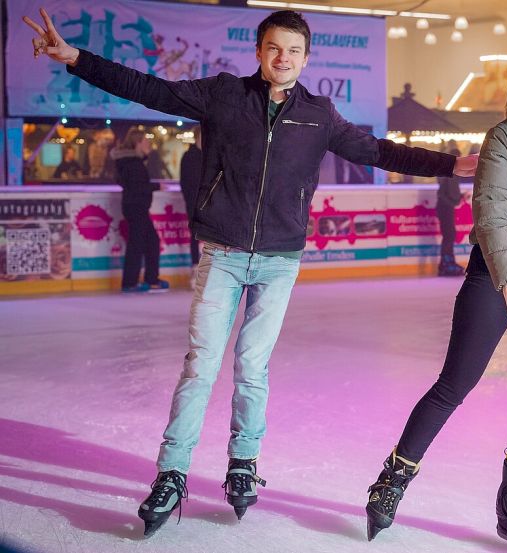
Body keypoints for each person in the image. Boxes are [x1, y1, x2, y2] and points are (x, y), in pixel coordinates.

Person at [24, 7, 476, 537]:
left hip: (280, 259)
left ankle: (243, 462)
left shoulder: (319, 114)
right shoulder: (223, 95)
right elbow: (148, 88)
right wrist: (74, 58)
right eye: (273, 48)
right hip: (223, 251)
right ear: (259, 51)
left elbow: (377, 151)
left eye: (293, 50)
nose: (283, 58)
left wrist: (449, 164)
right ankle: (172, 472)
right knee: (202, 364)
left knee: (253, 368)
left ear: (306, 58)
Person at [364, 42, 507, 550]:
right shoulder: (503, 137)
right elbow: (488, 214)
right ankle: (393, 479)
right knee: (455, 383)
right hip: (494, 273)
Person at [114, 127, 168, 293]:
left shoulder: (130, 163)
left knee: (146, 242)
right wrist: (156, 186)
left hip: (135, 207)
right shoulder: (134, 164)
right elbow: (138, 187)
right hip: (136, 207)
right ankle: (134, 282)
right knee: (141, 243)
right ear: (138, 143)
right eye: (145, 140)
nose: (148, 143)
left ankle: (144, 279)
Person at [436, 140, 465, 276]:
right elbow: (442, 193)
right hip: (445, 207)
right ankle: (446, 263)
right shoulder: (449, 173)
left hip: (446, 206)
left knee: (450, 235)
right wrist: (452, 201)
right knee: (449, 235)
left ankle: (447, 262)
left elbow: (451, 192)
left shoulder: (453, 173)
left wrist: (459, 197)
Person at [178, 126, 203, 272]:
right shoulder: (188, 157)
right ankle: (195, 267)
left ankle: (208, 269)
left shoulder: (210, 156)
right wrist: (191, 202)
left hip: (209, 204)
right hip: (194, 203)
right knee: (195, 236)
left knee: (211, 239)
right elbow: (185, 183)